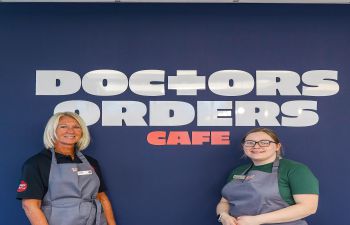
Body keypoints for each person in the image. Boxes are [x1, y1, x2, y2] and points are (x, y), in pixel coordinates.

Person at [16, 112, 117, 225]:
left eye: (76, 127)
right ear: (53, 131)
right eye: (63, 127)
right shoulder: (37, 163)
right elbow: (30, 206)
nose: (71, 131)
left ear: (82, 132)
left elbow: (102, 198)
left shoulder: (91, 162)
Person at [216, 127, 319, 225]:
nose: (256, 146)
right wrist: (223, 216)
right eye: (250, 143)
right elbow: (224, 202)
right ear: (243, 146)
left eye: (264, 142)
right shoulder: (238, 171)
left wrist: (256, 220)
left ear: (277, 146)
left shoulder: (295, 169)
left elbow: (308, 207)